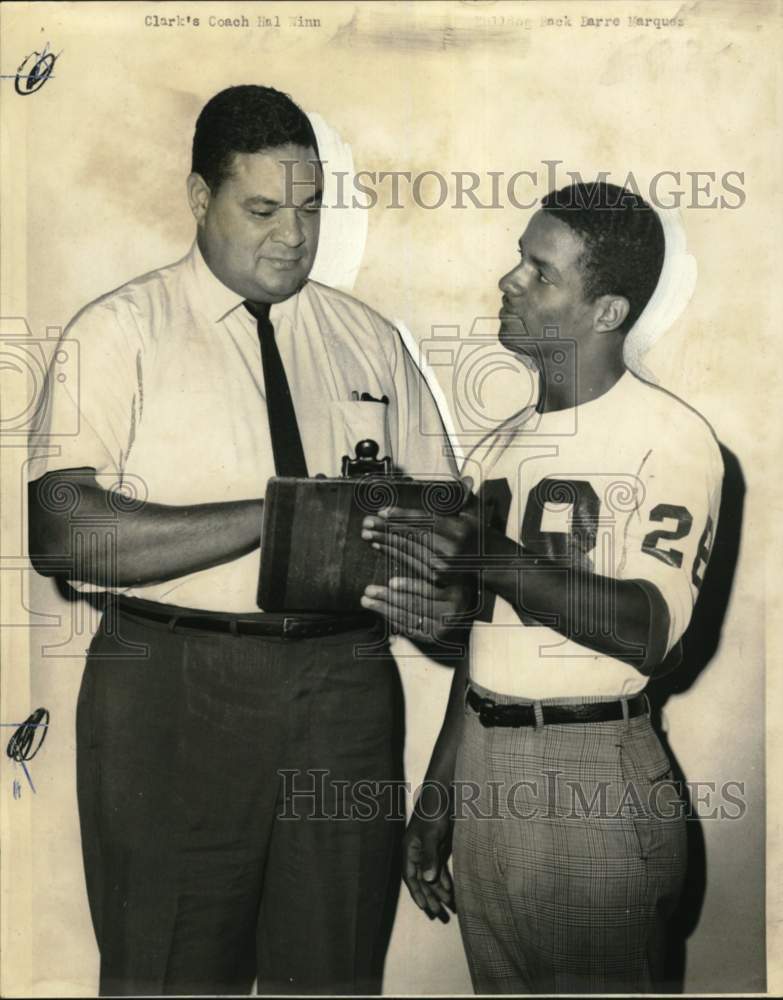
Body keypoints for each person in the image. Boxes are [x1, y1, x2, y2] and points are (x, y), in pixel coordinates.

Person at [27, 85, 456, 996]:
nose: (293, 237)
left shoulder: (369, 339)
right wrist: (279, 517)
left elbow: (451, 535)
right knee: (168, 970)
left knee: (334, 971)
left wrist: (444, 599)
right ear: (198, 199)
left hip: (345, 688)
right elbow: (64, 536)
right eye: (262, 209)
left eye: (308, 209)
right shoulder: (118, 332)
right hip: (173, 688)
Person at [361, 181, 724, 994]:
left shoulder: (669, 437)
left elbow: (649, 633)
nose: (508, 282)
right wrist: (437, 796)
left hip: (592, 770)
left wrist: (489, 560)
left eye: (540, 271)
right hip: (486, 764)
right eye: (517, 262)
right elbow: (484, 650)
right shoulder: (498, 447)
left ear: (606, 311)